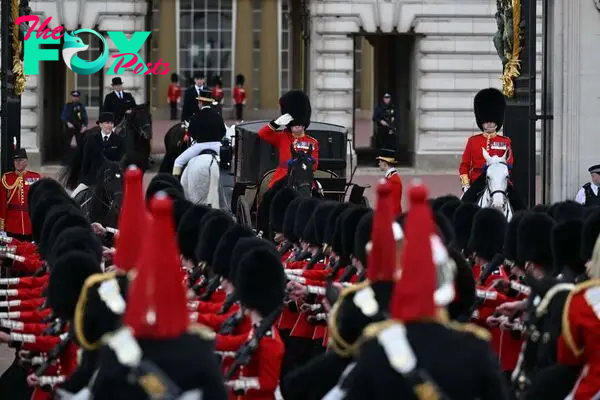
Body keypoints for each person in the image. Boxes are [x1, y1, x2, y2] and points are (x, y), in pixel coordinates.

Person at [257, 90, 319, 189]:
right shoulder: (282, 137)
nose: (297, 127)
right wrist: (276, 123)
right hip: (282, 179)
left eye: (300, 124)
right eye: (294, 125)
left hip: (304, 181)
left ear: (304, 124)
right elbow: (262, 134)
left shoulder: (312, 142)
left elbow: (314, 166)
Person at [459, 88, 513, 194]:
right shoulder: (473, 141)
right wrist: (465, 184)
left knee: (518, 203)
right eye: (486, 121)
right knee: (465, 205)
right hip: (476, 182)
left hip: (499, 182)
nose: (489, 124)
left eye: (492, 121)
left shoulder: (505, 142)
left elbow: (510, 164)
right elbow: (464, 166)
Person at [71, 112, 124, 198]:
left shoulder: (119, 141)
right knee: (73, 198)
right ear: (100, 124)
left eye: (111, 123)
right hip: (92, 179)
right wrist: (83, 179)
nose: (109, 125)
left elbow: (121, 161)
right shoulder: (91, 140)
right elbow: (85, 162)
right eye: (107, 123)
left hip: (112, 179)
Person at [0, 149, 41, 241]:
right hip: (12, 225)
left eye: (20, 160)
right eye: (15, 161)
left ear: (26, 162)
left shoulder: (35, 177)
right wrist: (1, 226)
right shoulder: (6, 178)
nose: (17, 163)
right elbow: (2, 203)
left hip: (29, 224)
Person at [60, 90, 88, 161]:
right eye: (74, 96)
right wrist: (67, 123)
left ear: (79, 97)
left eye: (77, 96)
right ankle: (66, 160)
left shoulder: (81, 106)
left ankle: (80, 160)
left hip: (79, 128)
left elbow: (85, 117)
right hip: (70, 127)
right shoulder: (68, 105)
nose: (75, 98)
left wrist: (85, 126)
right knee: (66, 144)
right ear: (72, 97)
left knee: (81, 144)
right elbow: (63, 116)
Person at [376, 149, 403, 216]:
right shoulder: (390, 177)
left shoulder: (394, 180)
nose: (379, 164)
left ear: (385, 163)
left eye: (380, 161)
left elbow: (394, 204)